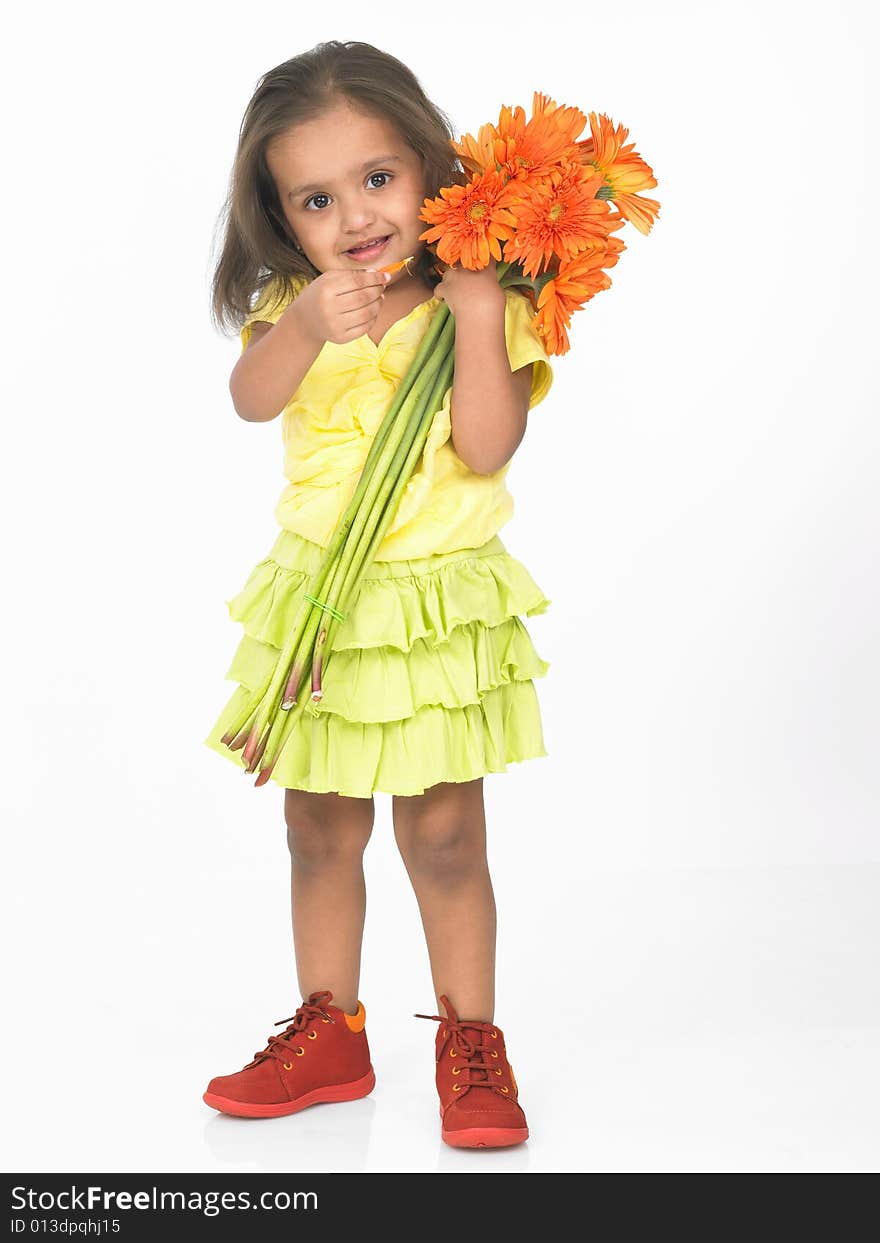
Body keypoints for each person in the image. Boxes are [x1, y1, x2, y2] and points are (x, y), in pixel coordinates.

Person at [202, 41, 555, 1150]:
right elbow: (251, 400)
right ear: (282, 220)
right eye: (316, 198)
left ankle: (470, 1041)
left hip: (432, 609)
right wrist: (305, 324)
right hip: (325, 606)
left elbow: (488, 448)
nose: (355, 216)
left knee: (446, 834)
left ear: (429, 167)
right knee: (317, 825)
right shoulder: (295, 305)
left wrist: (481, 313)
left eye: (378, 179)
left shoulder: (475, 298)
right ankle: (330, 1028)